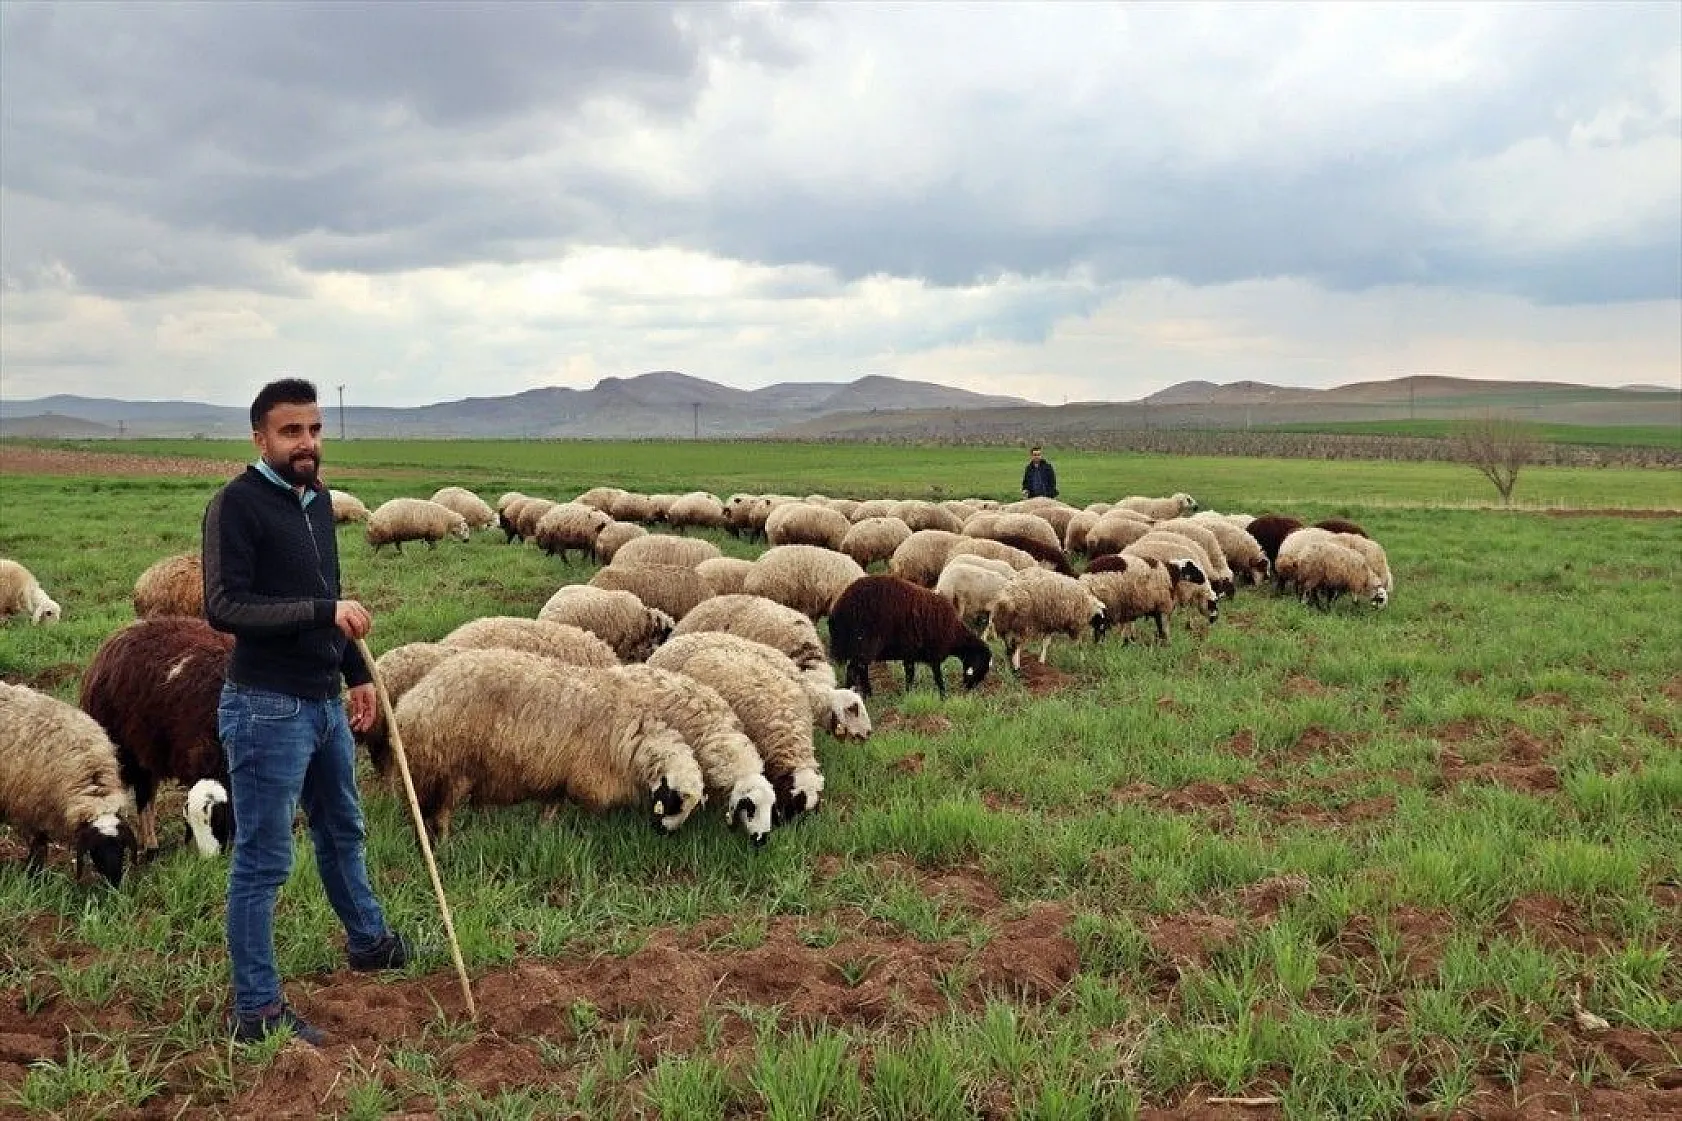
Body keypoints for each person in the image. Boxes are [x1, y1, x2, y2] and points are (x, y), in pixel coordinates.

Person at [202, 377, 409, 1046]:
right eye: (292, 430)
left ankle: (368, 941)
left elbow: (327, 589)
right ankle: (256, 1011)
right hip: (266, 707)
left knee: (343, 828)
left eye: (315, 429)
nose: (307, 442)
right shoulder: (236, 504)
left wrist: (355, 673)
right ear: (260, 437)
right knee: (264, 859)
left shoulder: (316, 500)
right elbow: (225, 606)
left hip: (323, 701)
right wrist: (324, 612)